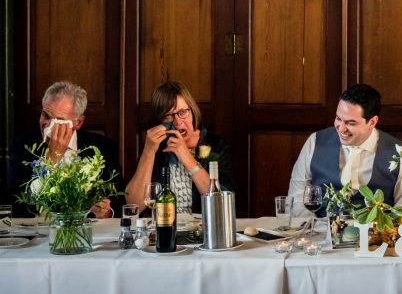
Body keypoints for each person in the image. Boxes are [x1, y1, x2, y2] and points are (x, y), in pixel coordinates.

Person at [288, 84, 402, 217]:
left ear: (372, 122)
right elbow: (296, 198)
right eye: (338, 118)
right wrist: (315, 227)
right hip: (320, 233)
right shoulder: (315, 141)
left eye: (350, 123)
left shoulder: (399, 151)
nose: (341, 128)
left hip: (375, 235)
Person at [7, 81, 126, 218]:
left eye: (58, 120)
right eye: (45, 115)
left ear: (78, 122)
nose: (48, 125)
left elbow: (119, 203)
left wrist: (107, 212)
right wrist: (50, 158)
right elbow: (13, 205)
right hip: (39, 231)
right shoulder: (22, 145)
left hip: (89, 233)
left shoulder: (103, 147)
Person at [125, 82, 234, 215]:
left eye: (183, 112)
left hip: (202, 227)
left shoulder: (217, 145)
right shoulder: (155, 146)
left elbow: (222, 204)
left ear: (192, 110)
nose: (177, 122)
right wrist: (148, 152)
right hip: (162, 226)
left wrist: (187, 157)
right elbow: (134, 206)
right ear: (160, 120)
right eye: (168, 115)